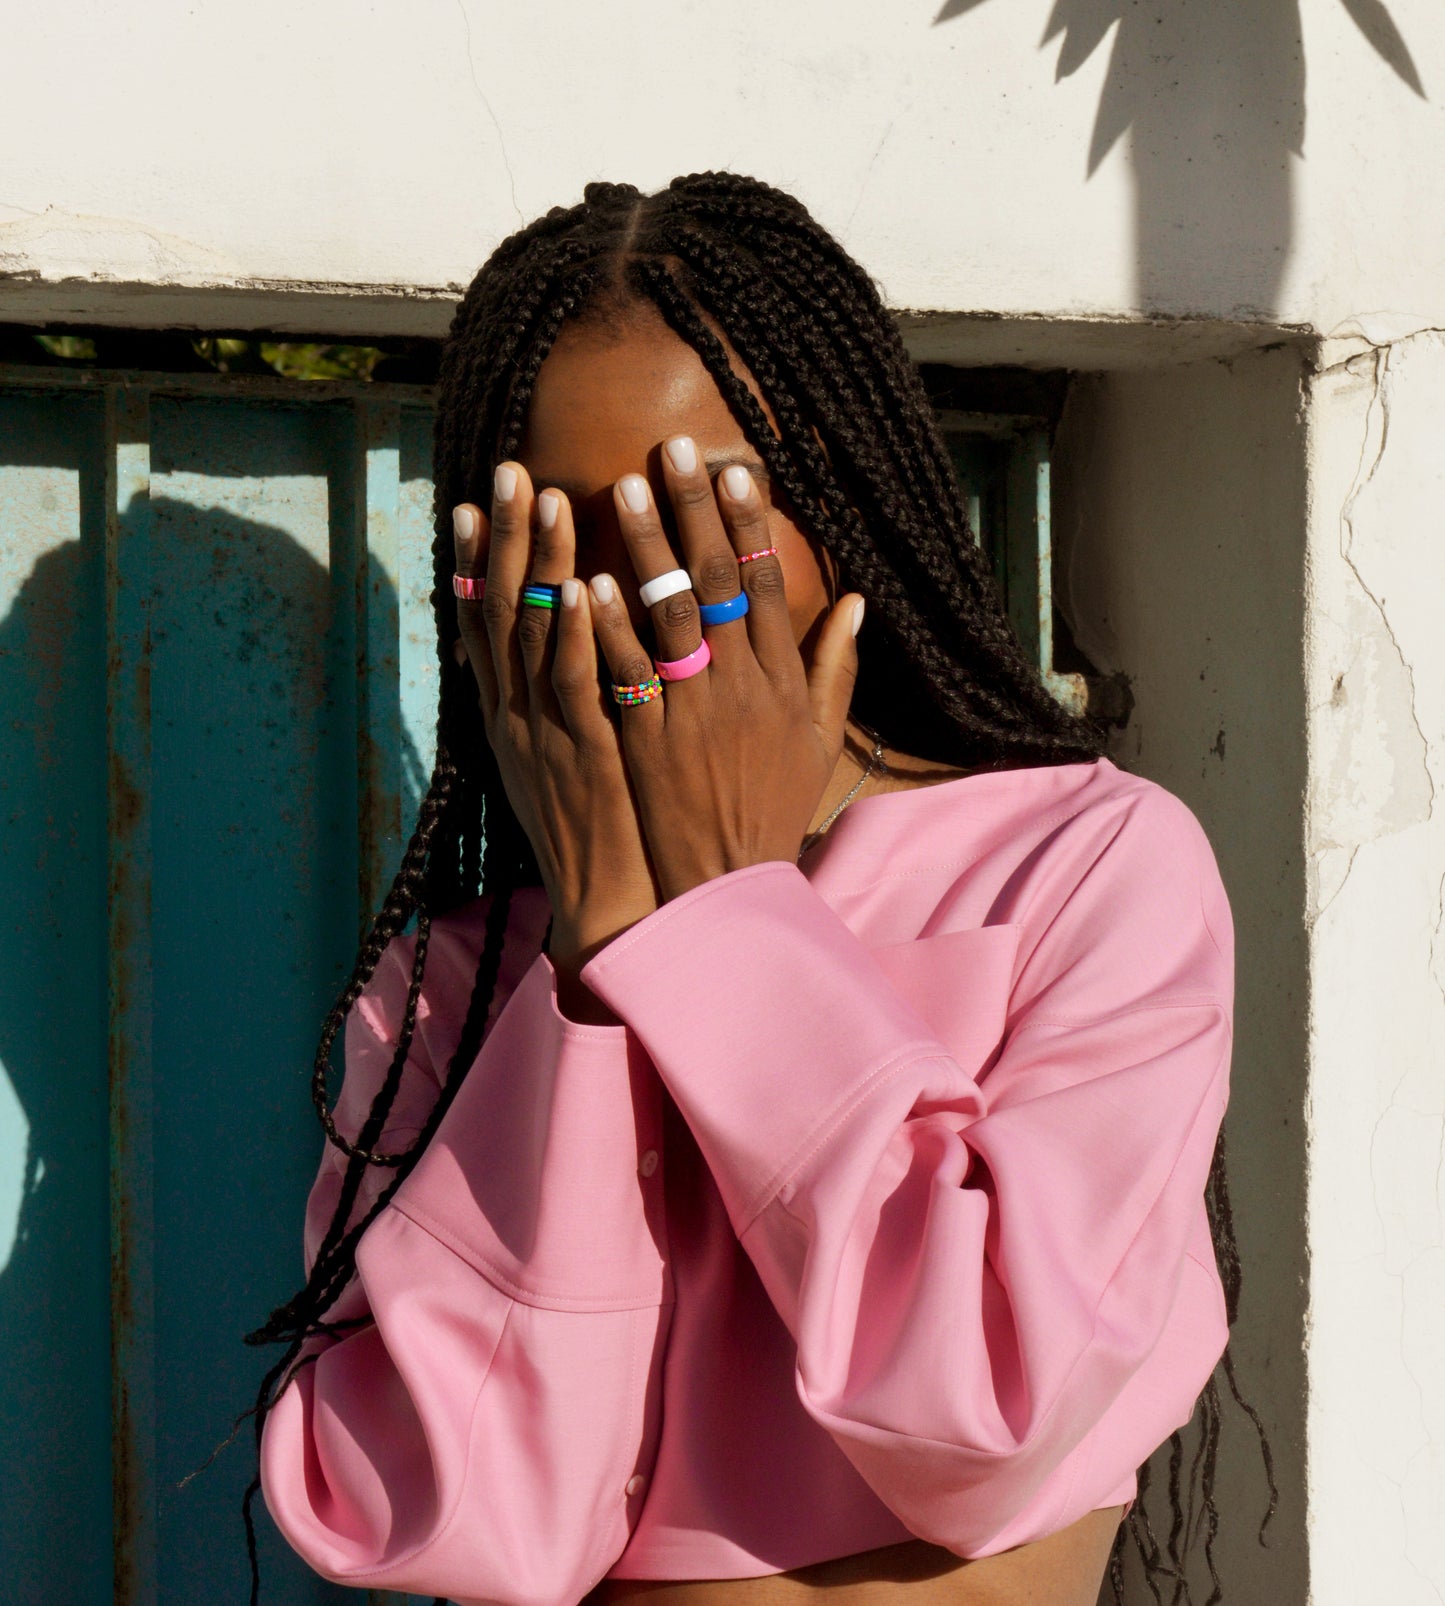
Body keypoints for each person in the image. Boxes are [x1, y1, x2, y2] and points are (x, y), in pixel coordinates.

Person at [245, 173, 1271, 1606]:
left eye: (697, 508)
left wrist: (726, 909)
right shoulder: (450, 994)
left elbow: (991, 1412)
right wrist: (595, 966)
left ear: (842, 499)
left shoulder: (1082, 866)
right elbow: (472, 1526)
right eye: (562, 533)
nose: (641, 588)